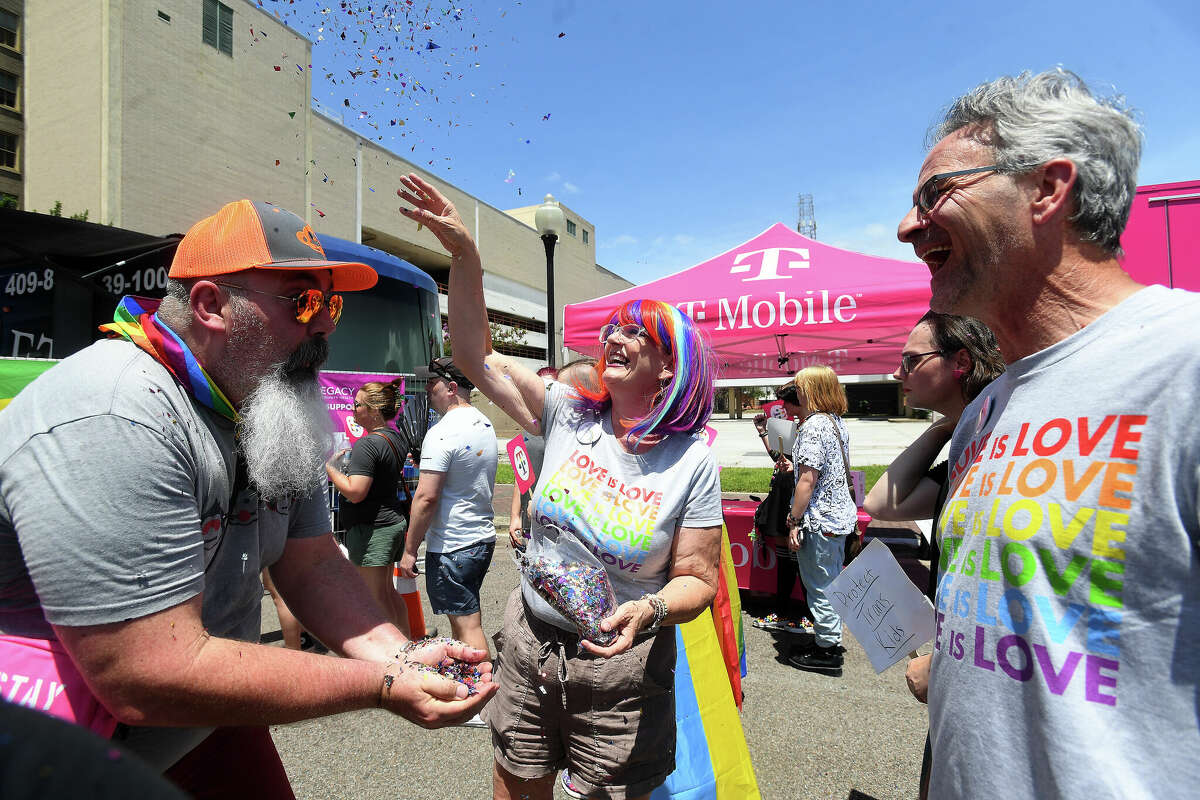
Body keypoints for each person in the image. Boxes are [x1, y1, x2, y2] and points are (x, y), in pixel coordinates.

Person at [0, 199, 495, 796]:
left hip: (205, 718)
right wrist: (380, 686)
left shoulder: (265, 407)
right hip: (69, 754)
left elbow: (309, 561)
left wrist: (400, 655)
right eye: (304, 301)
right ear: (211, 305)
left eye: (330, 303)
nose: (326, 327)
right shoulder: (115, 414)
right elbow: (144, 673)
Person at [896, 69, 1200, 798]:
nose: (908, 228)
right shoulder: (987, 409)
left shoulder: (1183, 362)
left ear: (1048, 188)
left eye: (936, 195)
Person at [397, 172, 724, 800]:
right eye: (615, 327)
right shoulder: (569, 412)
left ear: (670, 369)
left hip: (622, 672)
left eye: (638, 333)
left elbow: (698, 580)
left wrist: (650, 609)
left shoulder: (691, 462)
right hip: (529, 643)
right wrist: (464, 256)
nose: (615, 337)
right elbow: (473, 353)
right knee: (515, 783)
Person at [862, 311, 1003, 798]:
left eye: (910, 360)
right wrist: (948, 425)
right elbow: (883, 502)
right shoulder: (971, 445)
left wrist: (944, 665)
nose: (897, 373)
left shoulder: (1000, 447)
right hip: (962, 681)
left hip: (984, 681)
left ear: (960, 361)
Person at [398, 356, 498, 658]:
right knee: (464, 618)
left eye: (432, 384)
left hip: (454, 544)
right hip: (480, 537)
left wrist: (410, 550)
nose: (427, 390)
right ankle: (468, 681)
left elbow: (426, 498)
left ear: (452, 387)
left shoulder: (442, 431)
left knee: (467, 625)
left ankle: (481, 691)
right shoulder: (483, 421)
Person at [783, 365, 857, 676]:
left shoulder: (813, 426)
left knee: (820, 585)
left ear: (812, 390)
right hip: (838, 518)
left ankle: (827, 650)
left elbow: (807, 480)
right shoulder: (836, 423)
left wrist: (793, 519)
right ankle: (829, 639)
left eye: (800, 387)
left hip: (820, 519)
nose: (796, 392)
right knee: (829, 582)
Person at [326, 379, 413, 637]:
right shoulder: (393, 437)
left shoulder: (367, 444)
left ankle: (394, 657)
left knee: (375, 599)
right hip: (389, 523)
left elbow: (355, 491)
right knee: (387, 593)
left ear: (374, 410)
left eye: (357, 405)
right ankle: (406, 645)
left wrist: (331, 469)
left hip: (373, 529)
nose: (353, 409)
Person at [507, 358, 598, 550]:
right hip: (532, 522)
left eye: (554, 389)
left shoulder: (586, 438)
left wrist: (546, 506)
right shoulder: (529, 434)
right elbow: (521, 473)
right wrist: (515, 516)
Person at [749, 383, 813, 634]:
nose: (783, 407)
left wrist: (795, 521)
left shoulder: (814, 428)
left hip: (799, 508)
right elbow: (780, 458)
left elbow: (809, 474)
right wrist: (763, 431)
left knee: (803, 566)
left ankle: (810, 617)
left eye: (786, 402)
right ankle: (785, 612)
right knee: (788, 564)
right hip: (786, 503)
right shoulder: (799, 426)